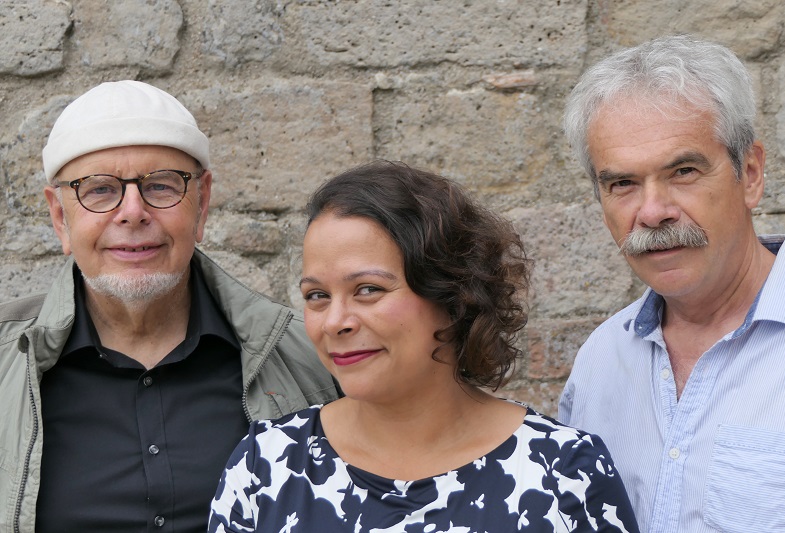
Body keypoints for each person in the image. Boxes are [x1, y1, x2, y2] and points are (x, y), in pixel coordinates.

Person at [208, 160, 639, 533]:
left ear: (453, 296)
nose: (335, 321)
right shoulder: (265, 468)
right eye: (317, 296)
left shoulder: (562, 474)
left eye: (368, 290)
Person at [0, 80, 341, 533]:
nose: (133, 211)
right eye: (99, 191)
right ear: (61, 218)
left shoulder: (311, 356)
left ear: (201, 205)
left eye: (160, 186)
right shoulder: (7, 362)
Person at [558, 34, 785, 533]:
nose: (651, 212)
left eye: (683, 171)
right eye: (622, 183)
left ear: (750, 173)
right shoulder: (600, 363)